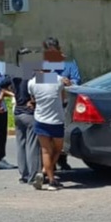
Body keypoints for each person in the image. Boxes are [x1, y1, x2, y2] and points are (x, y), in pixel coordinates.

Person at [28, 69, 68, 191]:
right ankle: (48, 176)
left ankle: (49, 178)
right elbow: (67, 88)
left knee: (45, 151)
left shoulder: (32, 83)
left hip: (40, 119)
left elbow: (33, 98)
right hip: (56, 120)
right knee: (58, 149)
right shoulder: (57, 80)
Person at [0, 70, 42, 185]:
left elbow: (1, 85)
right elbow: (54, 80)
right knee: (33, 146)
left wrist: (13, 93)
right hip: (29, 113)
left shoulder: (14, 74)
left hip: (18, 112)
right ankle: (33, 176)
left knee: (21, 144)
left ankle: (24, 175)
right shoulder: (33, 75)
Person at [44, 37, 79, 171]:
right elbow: (37, 79)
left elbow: (77, 79)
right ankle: (48, 163)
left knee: (62, 133)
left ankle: (62, 160)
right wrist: (57, 79)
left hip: (65, 102)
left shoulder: (69, 63)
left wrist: (70, 83)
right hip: (49, 102)